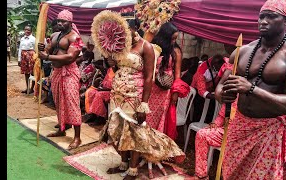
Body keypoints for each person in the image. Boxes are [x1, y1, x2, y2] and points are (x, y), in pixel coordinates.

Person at [98, 11, 185, 180]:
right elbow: (117, 69)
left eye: (125, 29)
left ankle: (132, 170)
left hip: (135, 95)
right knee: (117, 129)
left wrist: (143, 104)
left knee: (135, 132)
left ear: (135, 27)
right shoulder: (119, 45)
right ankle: (123, 162)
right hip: (117, 93)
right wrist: (110, 62)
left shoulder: (146, 47)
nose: (122, 33)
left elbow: (148, 77)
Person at [215, 0, 286, 179]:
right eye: (261, 16)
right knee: (231, 174)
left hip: (269, 131)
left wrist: (252, 89)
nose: (263, 21)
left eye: (271, 17)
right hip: (239, 126)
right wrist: (221, 94)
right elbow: (221, 83)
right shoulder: (243, 50)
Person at [38, 9, 85, 149]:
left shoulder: (75, 38)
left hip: (70, 73)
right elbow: (48, 50)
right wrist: (43, 49)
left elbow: (71, 57)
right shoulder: (54, 35)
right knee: (58, 101)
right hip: (57, 72)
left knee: (72, 103)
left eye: (63, 21)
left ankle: (77, 137)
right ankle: (62, 129)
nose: (60, 23)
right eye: (58, 21)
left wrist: (47, 57)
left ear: (70, 22)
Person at [146, 22, 182, 132]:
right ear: (165, 36)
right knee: (147, 116)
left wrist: (175, 93)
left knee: (160, 117)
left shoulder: (176, 51)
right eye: (172, 39)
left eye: (175, 39)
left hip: (164, 91)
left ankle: (156, 143)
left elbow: (177, 75)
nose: (174, 42)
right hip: (151, 88)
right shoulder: (153, 47)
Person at [191, 54, 229, 124]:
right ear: (213, 66)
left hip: (212, 90)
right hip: (199, 90)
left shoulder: (225, 62)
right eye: (218, 69)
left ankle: (209, 123)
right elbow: (201, 91)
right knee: (199, 110)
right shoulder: (202, 70)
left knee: (211, 109)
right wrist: (216, 96)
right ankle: (196, 125)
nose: (220, 71)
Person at [18, 25, 36, 94]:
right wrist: (19, 59)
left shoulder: (33, 39)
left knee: (33, 72)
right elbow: (20, 49)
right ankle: (27, 88)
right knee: (26, 72)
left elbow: (35, 49)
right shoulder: (22, 39)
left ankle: (32, 88)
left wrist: (35, 59)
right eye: (25, 29)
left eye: (28, 30)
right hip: (23, 57)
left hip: (31, 57)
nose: (27, 31)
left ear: (31, 31)